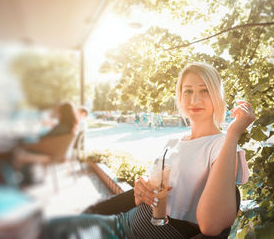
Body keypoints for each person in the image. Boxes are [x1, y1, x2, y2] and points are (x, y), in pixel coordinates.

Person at [40, 63, 255, 238]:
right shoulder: (173, 142)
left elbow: (211, 226)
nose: (194, 99)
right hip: (122, 223)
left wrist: (233, 133)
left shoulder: (223, 146)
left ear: (217, 96)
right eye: (187, 91)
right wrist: (140, 192)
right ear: (179, 96)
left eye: (204, 90)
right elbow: (154, 190)